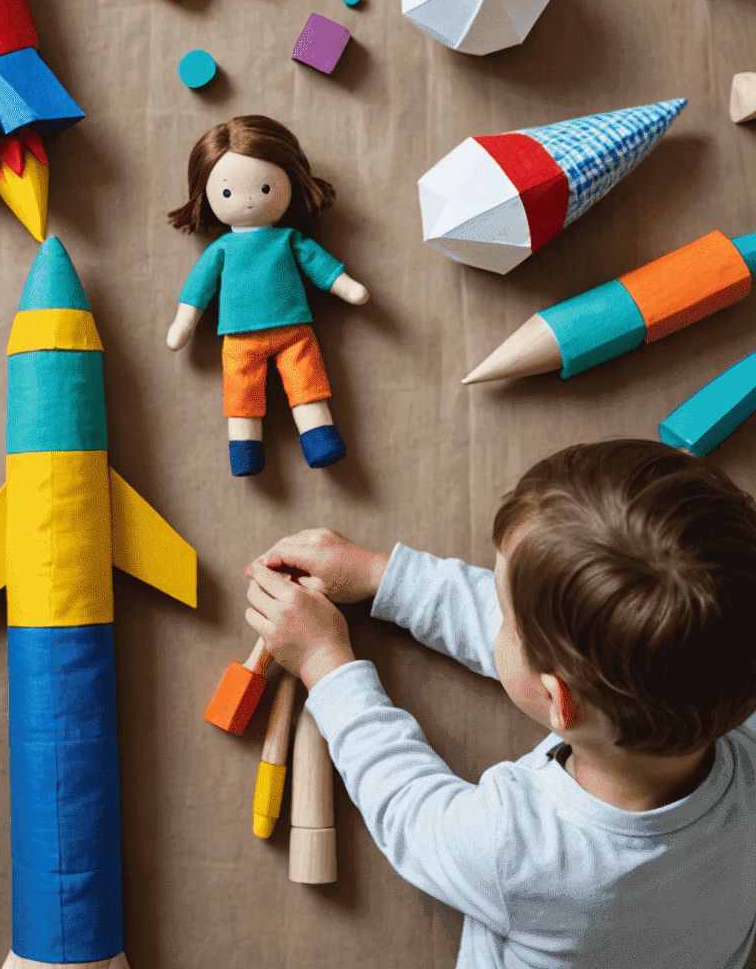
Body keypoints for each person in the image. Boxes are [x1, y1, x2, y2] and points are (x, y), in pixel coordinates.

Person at [244, 440, 756, 967]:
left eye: (506, 615)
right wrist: (382, 576)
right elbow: (553, 647)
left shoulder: (521, 851)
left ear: (561, 702)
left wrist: (325, 662)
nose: (494, 612)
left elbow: (411, 810)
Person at [165, 115, 369, 476]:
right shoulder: (221, 249)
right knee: (242, 395)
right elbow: (199, 287)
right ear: (207, 195)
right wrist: (184, 322)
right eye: (227, 193)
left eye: (264, 189)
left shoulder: (288, 239)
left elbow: (319, 265)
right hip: (242, 337)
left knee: (306, 384)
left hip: (293, 332)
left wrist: (346, 286)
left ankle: (320, 439)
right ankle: (246, 453)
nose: (246, 201)